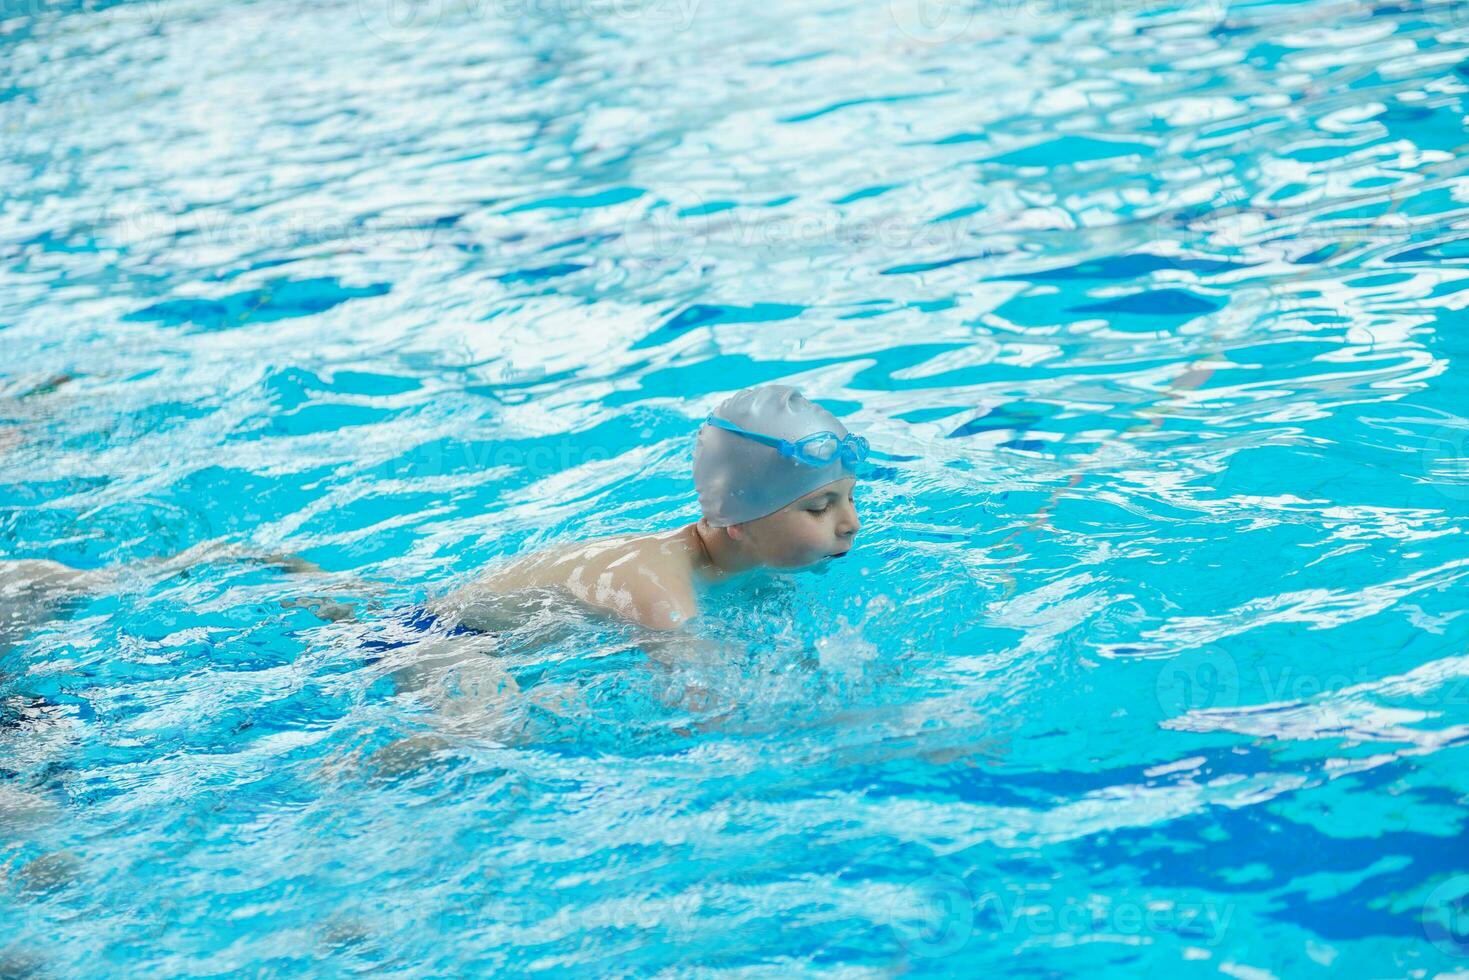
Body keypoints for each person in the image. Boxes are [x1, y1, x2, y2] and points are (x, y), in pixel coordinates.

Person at [426, 383, 867, 635]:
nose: (851, 523)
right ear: (738, 520)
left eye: (849, 497)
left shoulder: (756, 565)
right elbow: (703, 706)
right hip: (448, 639)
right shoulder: (660, 589)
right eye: (818, 508)